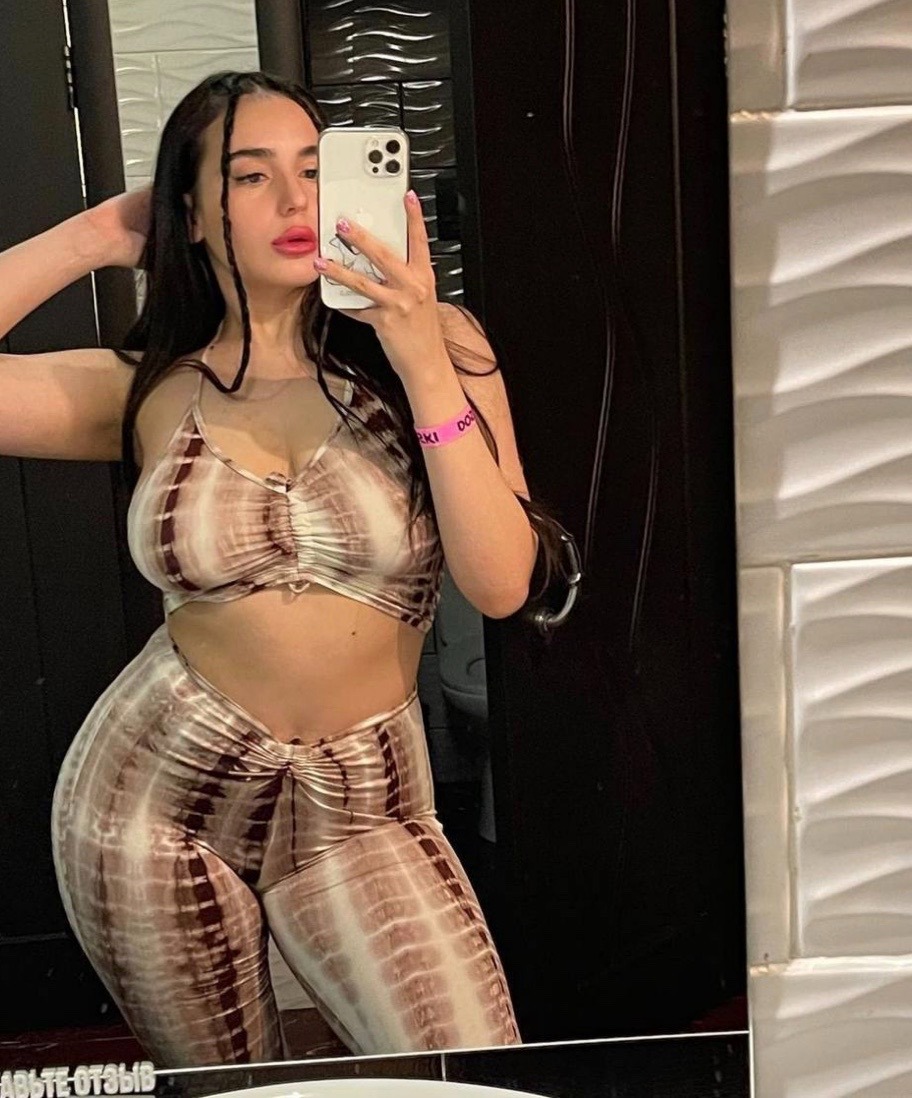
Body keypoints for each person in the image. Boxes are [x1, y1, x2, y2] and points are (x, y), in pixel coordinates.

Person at [0, 71, 565, 1067]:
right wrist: (95, 235)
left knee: (471, 1073)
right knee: (235, 1087)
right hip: (148, 806)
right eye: (251, 176)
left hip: (363, 805)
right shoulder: (148, 388)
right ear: (194, 214)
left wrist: (421, 359)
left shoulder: (443, 350)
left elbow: (501, 583)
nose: (297, 199)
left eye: (315, 167)